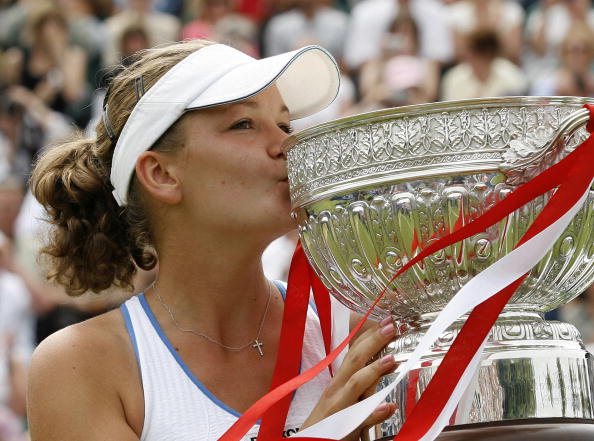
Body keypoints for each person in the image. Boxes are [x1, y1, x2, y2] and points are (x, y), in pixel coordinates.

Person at [26, 40, 399, 440]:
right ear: (162, 174)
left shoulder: (356, 334)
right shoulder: (79, 365)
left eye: (285, 124)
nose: (287, 144)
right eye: (244, 124)